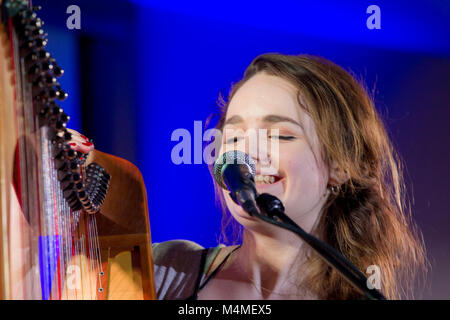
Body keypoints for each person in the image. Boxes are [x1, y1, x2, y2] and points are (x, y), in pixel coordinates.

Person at [71, 53, 427, 300]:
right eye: (235, 136)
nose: (246, 154)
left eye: (280, 135)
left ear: (341, 167)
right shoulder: (165, 269)